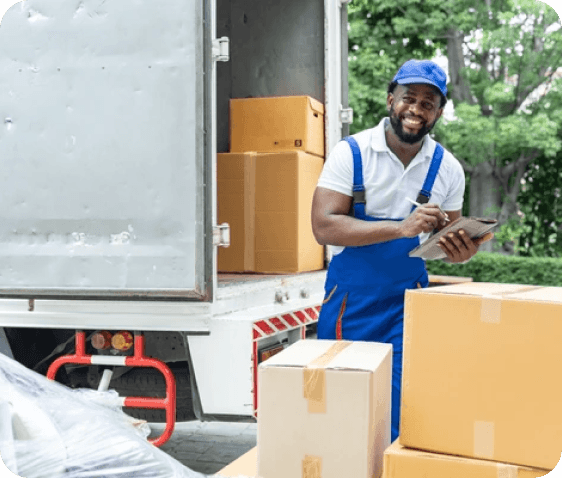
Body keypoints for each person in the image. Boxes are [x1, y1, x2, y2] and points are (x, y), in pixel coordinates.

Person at [311, 59, 493, 442]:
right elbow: (323, 226)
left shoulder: (448, 169)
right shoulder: (352, 153)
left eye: (428, 103)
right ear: (390, 100)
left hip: (407, 305)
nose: (416, 109)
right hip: (351, 303)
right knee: (341, 407)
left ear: (438, 113)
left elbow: (445, 239)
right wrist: (401, 228)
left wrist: (462, 251)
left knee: (399, 411)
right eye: (409, 98)